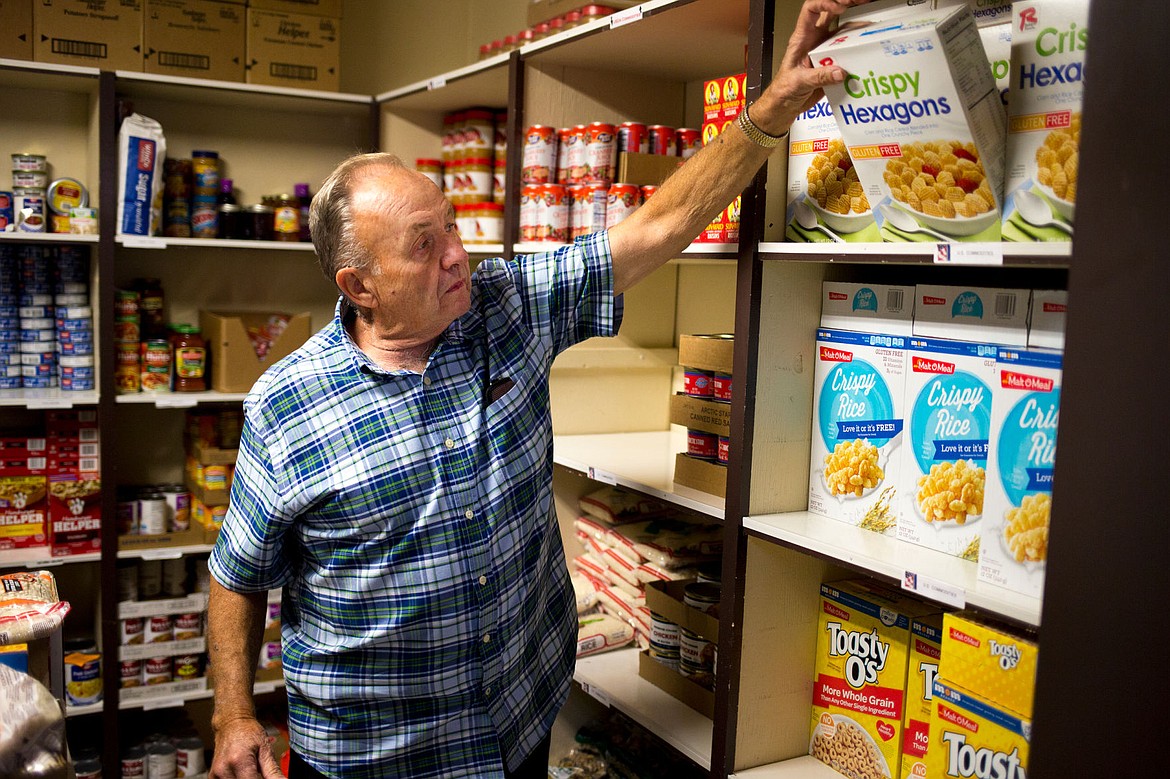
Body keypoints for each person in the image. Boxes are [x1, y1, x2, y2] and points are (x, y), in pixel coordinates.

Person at [207, 2, 863, 777]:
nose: (459, 255)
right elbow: (236, 573)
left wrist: (771, 109)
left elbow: (661, 224)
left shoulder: (507, 306)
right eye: (425, 245)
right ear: (360, 285)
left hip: (514, 727)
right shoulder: (287, 403)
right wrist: (236, 714)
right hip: (371, 758)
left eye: (451, 226)